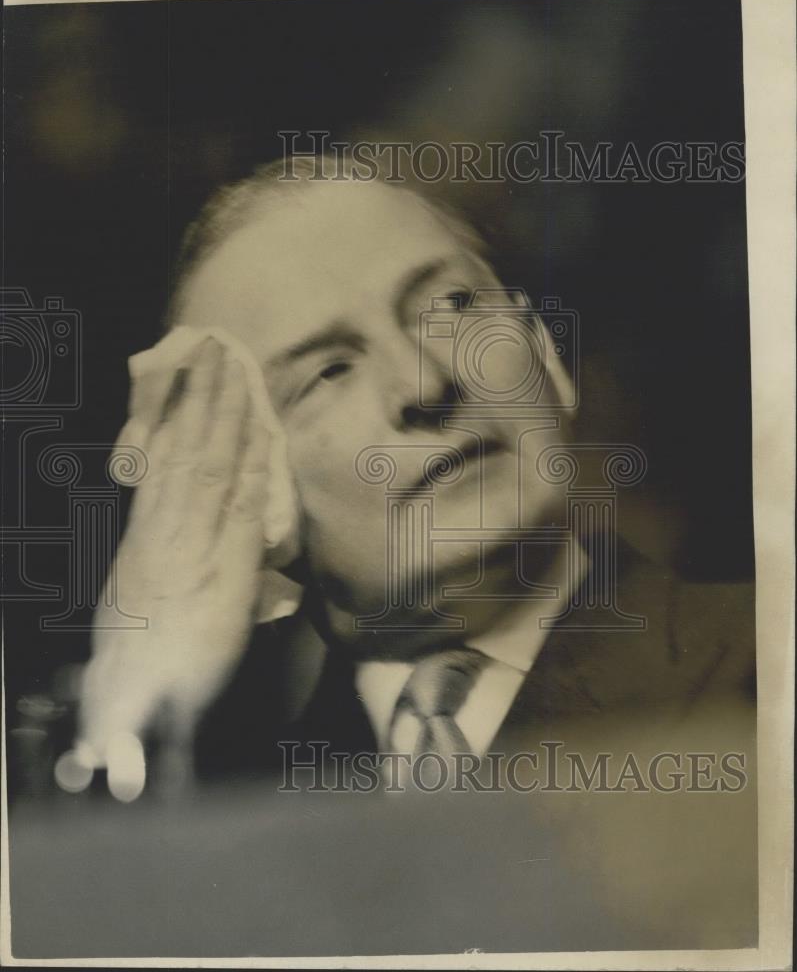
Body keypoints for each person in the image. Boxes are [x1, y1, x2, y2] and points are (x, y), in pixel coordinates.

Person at [72, 156, 755, 798]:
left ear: (546, 357)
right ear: (246, 489)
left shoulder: (763, 667)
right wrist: (135, 718)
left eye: (453, 306)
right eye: (329, 371)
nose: (423, 383)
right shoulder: (225, 799)